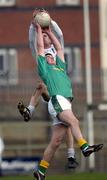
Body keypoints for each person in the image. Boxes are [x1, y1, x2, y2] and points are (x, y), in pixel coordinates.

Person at [31, 18, 103, 180]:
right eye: (46, 56)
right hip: (57, 99)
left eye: (51, 55)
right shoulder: (44, 68)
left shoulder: (60, 65)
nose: (49, 56)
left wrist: (49, 31)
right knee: (74, 122)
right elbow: (41, 47)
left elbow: (59, 47)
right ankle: (84, 147)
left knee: (56, 141)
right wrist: (38, 31)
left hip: (64, 102)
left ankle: (41, 172)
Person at [18, 8, 78, 169]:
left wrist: (48, 21)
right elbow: (33, 39)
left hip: (60, 90)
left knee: (67, 124)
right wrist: (35, 24)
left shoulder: (57, 50)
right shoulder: (39, 51)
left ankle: (71, 155)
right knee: (40, 86)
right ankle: (29, 110)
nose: (44, 36)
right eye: (42, 35)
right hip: (50, 90)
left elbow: (59, 35)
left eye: (46, 36)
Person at [18, 81, 78, 169]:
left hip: (61, 100)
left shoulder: (61, 75)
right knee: (40, 86)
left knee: (60, 136)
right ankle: (29, 111)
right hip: (54, 98)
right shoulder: (49, 72)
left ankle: (71, 157)